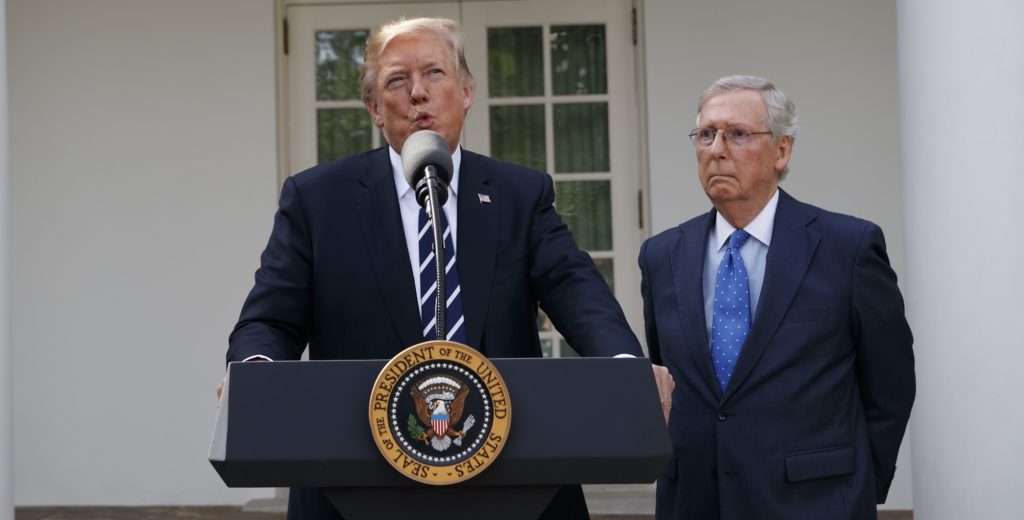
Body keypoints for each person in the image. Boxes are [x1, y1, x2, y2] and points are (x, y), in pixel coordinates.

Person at [224, 17, 674, 520]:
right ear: (374, 108)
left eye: (435, 74)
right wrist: (255, 375)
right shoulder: (317, 199)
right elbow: (270, 320)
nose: (419, 93)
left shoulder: (520, 194)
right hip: (354, 485)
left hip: (514, 478)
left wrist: (623, 367)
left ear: (466, 92)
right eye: (397, 80)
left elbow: (576, 291)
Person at [639, 75, 914, 519]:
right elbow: (672, 380)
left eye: (738, 134)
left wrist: (861, 483)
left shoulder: (848, 247)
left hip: (816, 502)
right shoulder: (661, 255)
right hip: (694, 501)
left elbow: (891, 384)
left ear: (782, 150)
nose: (716, 149)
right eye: (706, 134)